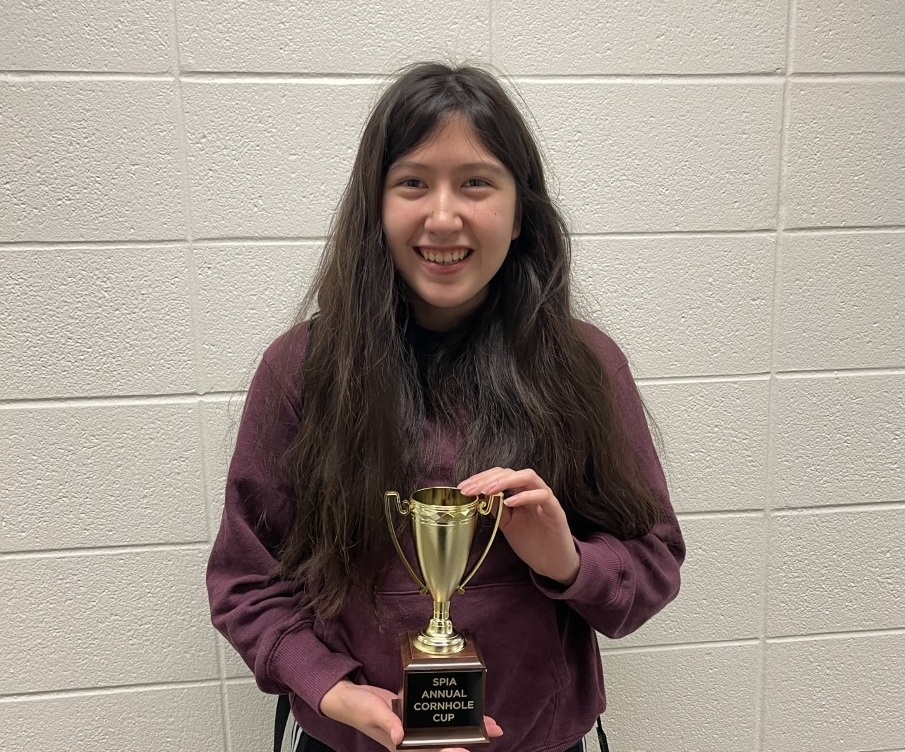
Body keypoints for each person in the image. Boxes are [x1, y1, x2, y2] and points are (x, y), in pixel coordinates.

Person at [207, 62, 685, 752]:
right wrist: (333, 689)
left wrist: (568, 562)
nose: (441, 215)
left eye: (475, 183)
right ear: (374, 206)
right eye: (411, 183)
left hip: (538, 740)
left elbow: (653, 562)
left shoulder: (584, 367)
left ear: (521, 212)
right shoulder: (303, 368)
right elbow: (246, 579)